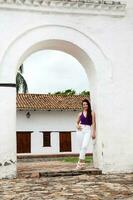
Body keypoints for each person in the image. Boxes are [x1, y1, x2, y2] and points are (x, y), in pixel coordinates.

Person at [75, 98, 96, 170]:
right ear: (82, 106)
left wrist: (93, 132)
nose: (85, 105)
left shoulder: (92, 113)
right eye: (83, 104)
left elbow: (93, 123)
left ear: (88, 105)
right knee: (81, 148)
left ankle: (79, 163)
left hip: (88, 130)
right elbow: (76, 122)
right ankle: (82, 164)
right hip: (80, 130)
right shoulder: (80, 114)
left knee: (84, 146)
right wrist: (77, 126)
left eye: (86, 104)